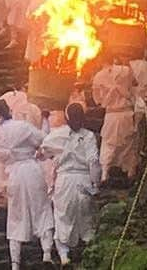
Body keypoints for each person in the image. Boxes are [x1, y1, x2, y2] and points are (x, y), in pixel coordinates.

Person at [0, 114, 55, 269]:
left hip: (14, 174)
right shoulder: (23, 126)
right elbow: (43, 139)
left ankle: (15, 263)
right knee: (42, 210)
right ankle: (46, 253)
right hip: (31, 169)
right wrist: (41, 152)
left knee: (16, 217)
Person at [42, 103, 101, 267]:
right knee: (86, 217)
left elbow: (43, 150)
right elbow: (93, 161)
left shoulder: (57, 135)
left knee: (62, 217)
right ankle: (90, 254)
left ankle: (64, 257)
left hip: (65, 180)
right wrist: (96, 183)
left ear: (67, 117)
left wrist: (55, 157)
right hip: (83, 179)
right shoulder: (89, 136)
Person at [90, 56, 138, 183]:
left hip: (111, 115)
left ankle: (105, 173)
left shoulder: (98, 77)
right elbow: (133, 86)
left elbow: (97, 100)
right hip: (126, 113)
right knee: (128, 143)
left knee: (108, 144)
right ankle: (130, 173)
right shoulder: (127, 70)